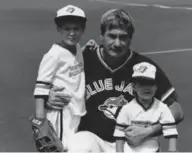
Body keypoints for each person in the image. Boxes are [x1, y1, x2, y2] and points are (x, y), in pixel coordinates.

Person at [47, 9, 184, 152]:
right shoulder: (83, 62)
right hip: (94, 140)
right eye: (112, 36)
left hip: (131, 143)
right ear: (101, 35)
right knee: (77, 145)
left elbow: (177, 110)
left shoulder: (144, 67)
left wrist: (149, 131)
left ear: (130, 38)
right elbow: (50, 89)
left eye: (123, 37)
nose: (117, 43)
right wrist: (49, 97)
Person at [32, 4, 87, 150]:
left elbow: (72, 60)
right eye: (67, 29)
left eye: (76, 29)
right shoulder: (53, 55)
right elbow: (40, 88)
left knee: (73, 146)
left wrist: (87, 48)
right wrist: (40, 121)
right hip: (61, 112)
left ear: (83, 30)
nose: (71, 33)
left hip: (75, 110)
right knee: (62, 147)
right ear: (59, 30)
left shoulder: (76, 48)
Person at [114, 62, 178, 152]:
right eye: (142, 84)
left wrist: (172, 150)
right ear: (133, 87)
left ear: (156, 87)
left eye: (150, 83)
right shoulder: (126, 109)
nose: (147, 88)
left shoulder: (162, 108)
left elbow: (170, 130)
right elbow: (119, 134)